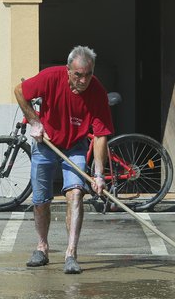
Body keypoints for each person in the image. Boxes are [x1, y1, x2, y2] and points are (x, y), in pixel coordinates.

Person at [14, 45, 114, 274]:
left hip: (75, 147)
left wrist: (99, 174)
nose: (83, 80)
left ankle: (71, 253)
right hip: (45, 144)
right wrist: (35, 121)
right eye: (78, 74)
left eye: (88, 74)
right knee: (41, 200)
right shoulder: (51, 77)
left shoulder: (97, 92)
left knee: (76, 193)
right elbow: (20, 91)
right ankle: (42, 247)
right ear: (68, 70)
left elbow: (100, 135)